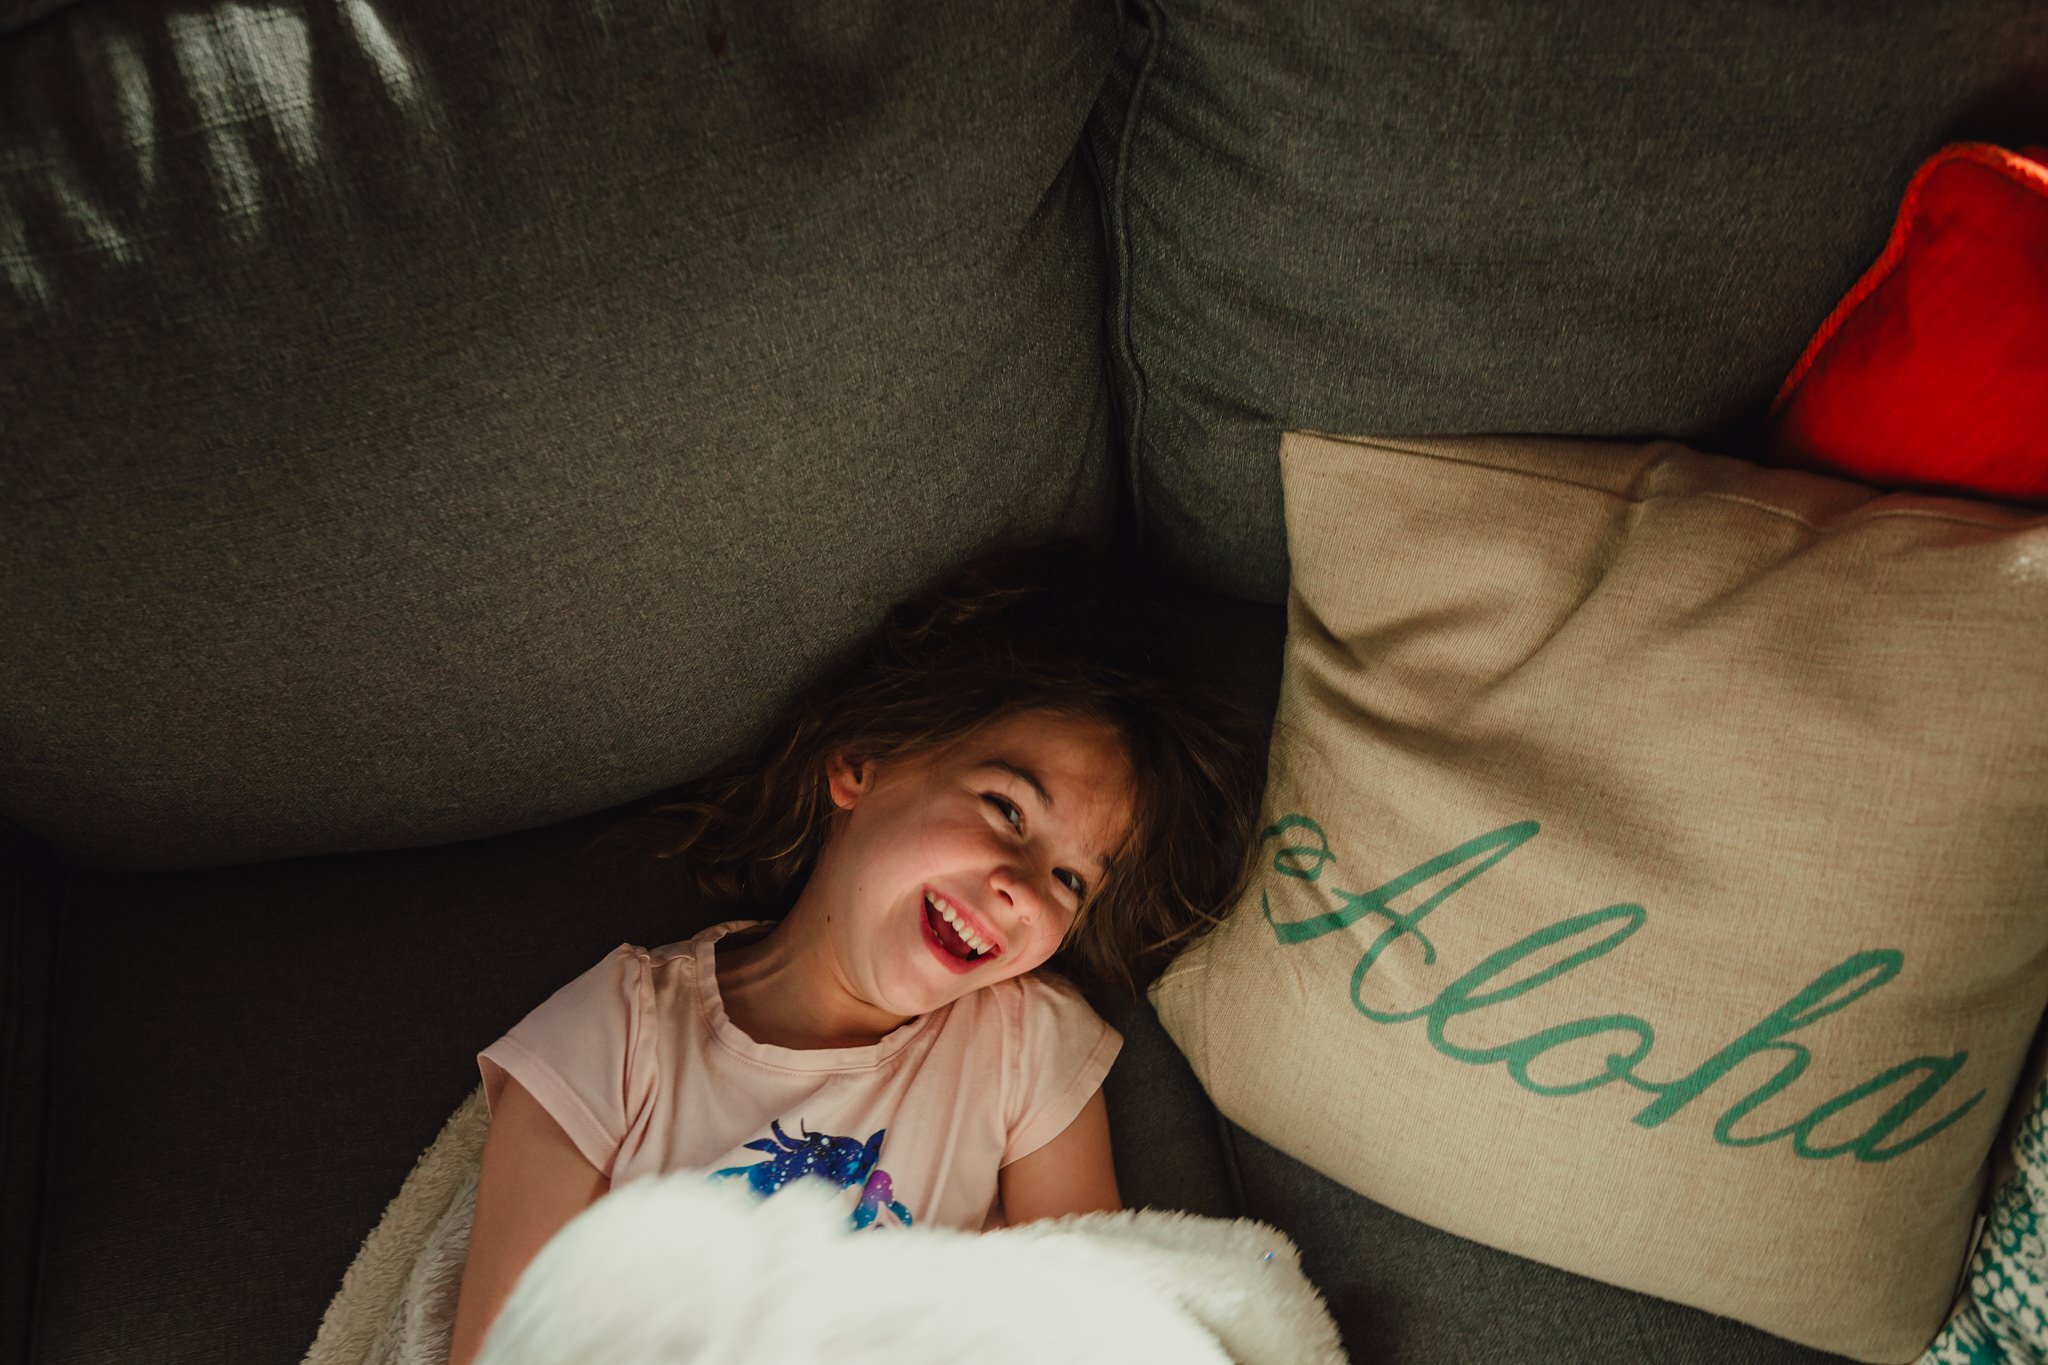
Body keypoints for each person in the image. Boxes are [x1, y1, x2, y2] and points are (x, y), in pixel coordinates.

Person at [447, 539, 1265, 1365]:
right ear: (860, 762)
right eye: (1007, 809)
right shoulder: (619, 1031)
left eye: (1071, 879)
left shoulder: (1025, 1044)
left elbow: (1093, 1327)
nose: (1025, 887)